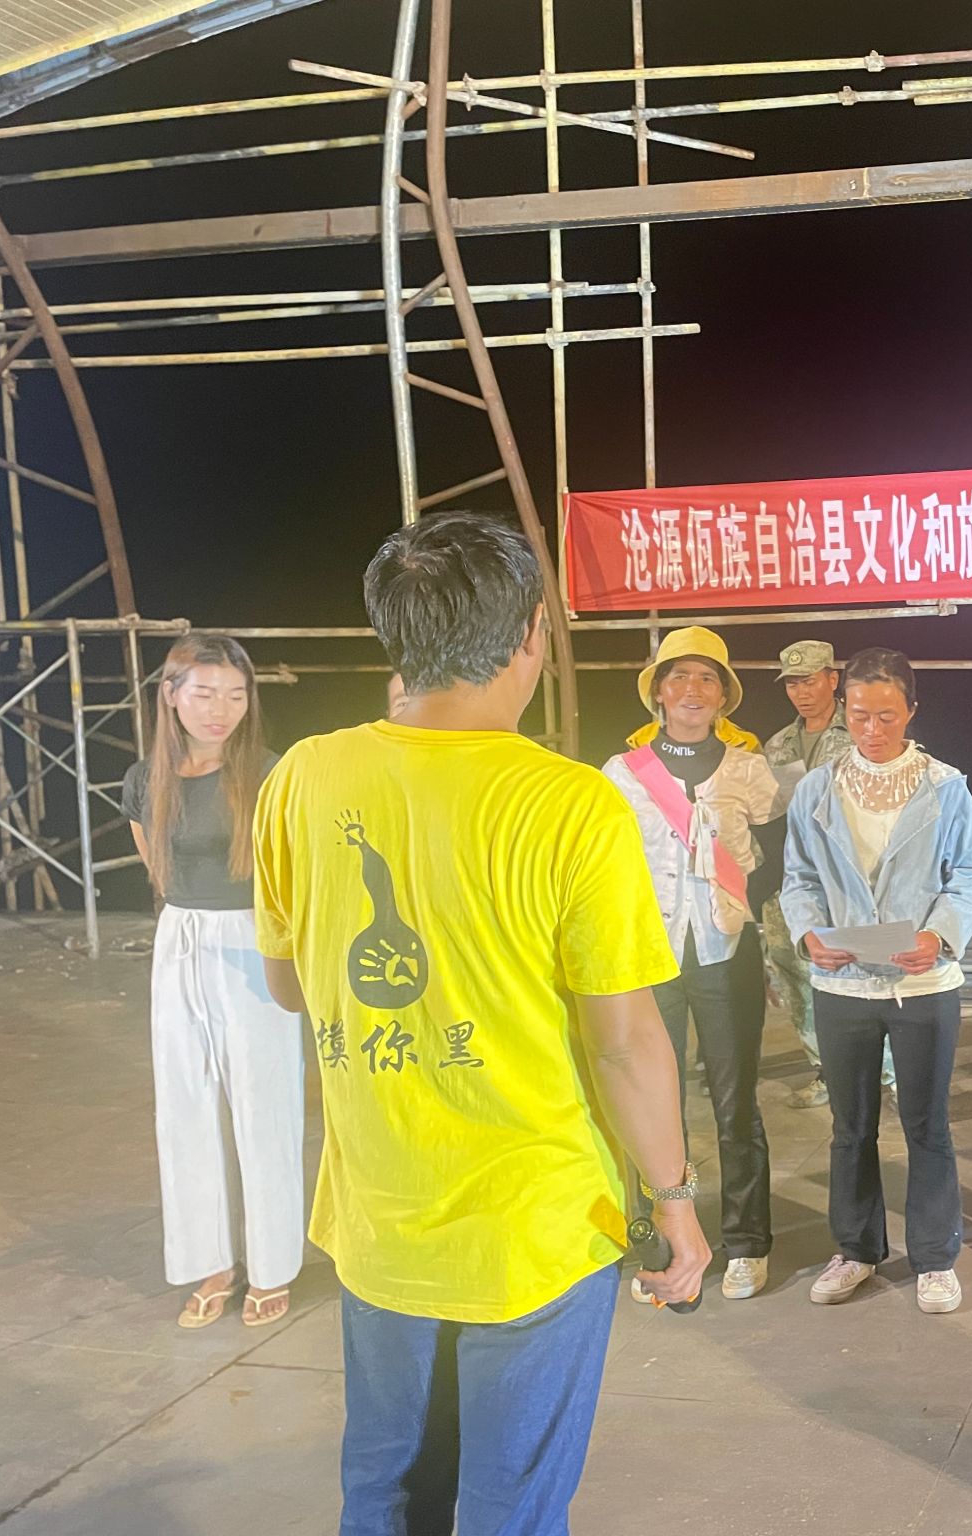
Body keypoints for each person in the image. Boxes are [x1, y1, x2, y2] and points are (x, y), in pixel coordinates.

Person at [252, 512, 711, 1532]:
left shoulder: (303, 777)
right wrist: (674, 1202)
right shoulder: (573, 805)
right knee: (511, 1508)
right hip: (537, 1230)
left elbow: (290, 988)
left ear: (394, 634)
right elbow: (624, 1040)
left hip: (380, 1218)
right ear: (530, 634)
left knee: (384, 1494)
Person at [780, 647, 972, 1315]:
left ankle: (934, 1257)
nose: (872, 730)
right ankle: (855, 1249)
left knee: (928, 1124)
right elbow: (798, 878)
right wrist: (809, 934)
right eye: (860, 715)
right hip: (843, 985)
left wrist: (939, 935)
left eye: (887, 716)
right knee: (851, 1126)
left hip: (922, 984)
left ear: (911, 712)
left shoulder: (943, 787)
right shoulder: (818, 789)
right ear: (844, 709)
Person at [124, 634, 305, 1331]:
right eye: (204, 693)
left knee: (265, 1103)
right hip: (180, 938)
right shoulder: (144, 779)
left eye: (235, 694)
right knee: (184, 1103)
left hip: (252, 938)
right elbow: (158, 869)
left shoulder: (269, 772)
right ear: (171, 696)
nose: (220, 709)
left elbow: (290, 871)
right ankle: (211, 1262)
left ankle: (272, 1264)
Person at [606, 627, 782, 1302]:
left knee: (737, 1102)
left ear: (723, 696)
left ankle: (747, 1242)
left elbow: (776, 853)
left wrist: (744, 906)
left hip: (725, 955)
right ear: (657, 691)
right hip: (648, 957)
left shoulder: (748, 771)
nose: (692, 689)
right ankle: (660, 1243)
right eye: (678, 676)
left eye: (707, 678)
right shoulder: (622, 774)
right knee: (654, 1102)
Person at [757, 639, 891, 1109]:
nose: (801, 692)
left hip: (858, 880)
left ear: (833, 680)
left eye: (810, 681)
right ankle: (828, 1070)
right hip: (798, 880)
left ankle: (888, 1074)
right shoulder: (777, 746)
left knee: (872, 971)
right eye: (792, 683)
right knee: (795, 973)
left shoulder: (861, 730)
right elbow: (772, 818)